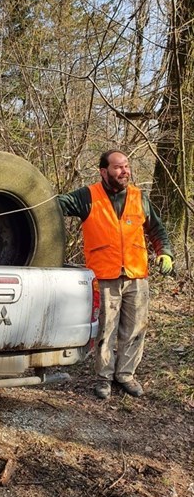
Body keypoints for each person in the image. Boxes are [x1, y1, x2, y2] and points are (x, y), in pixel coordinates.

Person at [57, 150, 174, 400]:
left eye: (127, 166)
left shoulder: (139, 198)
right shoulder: (87, 196)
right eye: (118, 167)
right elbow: (55, 206)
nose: (125, 172)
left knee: (134, 328)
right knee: (106, 330)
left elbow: (157, 229)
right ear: (104, 171)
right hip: (104, 276)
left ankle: (126, 375)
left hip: (136, 276)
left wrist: (165, 253)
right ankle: (104, 378)